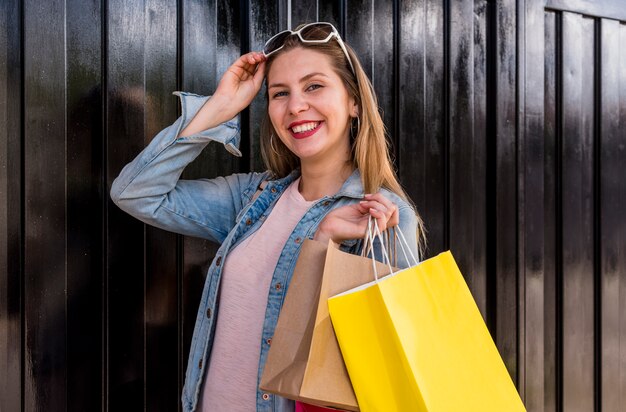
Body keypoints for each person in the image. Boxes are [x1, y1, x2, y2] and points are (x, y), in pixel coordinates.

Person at [111, 22, 425, 412]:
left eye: (314, 86)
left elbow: (377, 368)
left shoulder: (383, 218)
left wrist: (324, 241)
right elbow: (136, 192)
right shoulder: (254, 198)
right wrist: (219, 108)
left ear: (353, 101)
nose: (295, 106)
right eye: (280, 94)